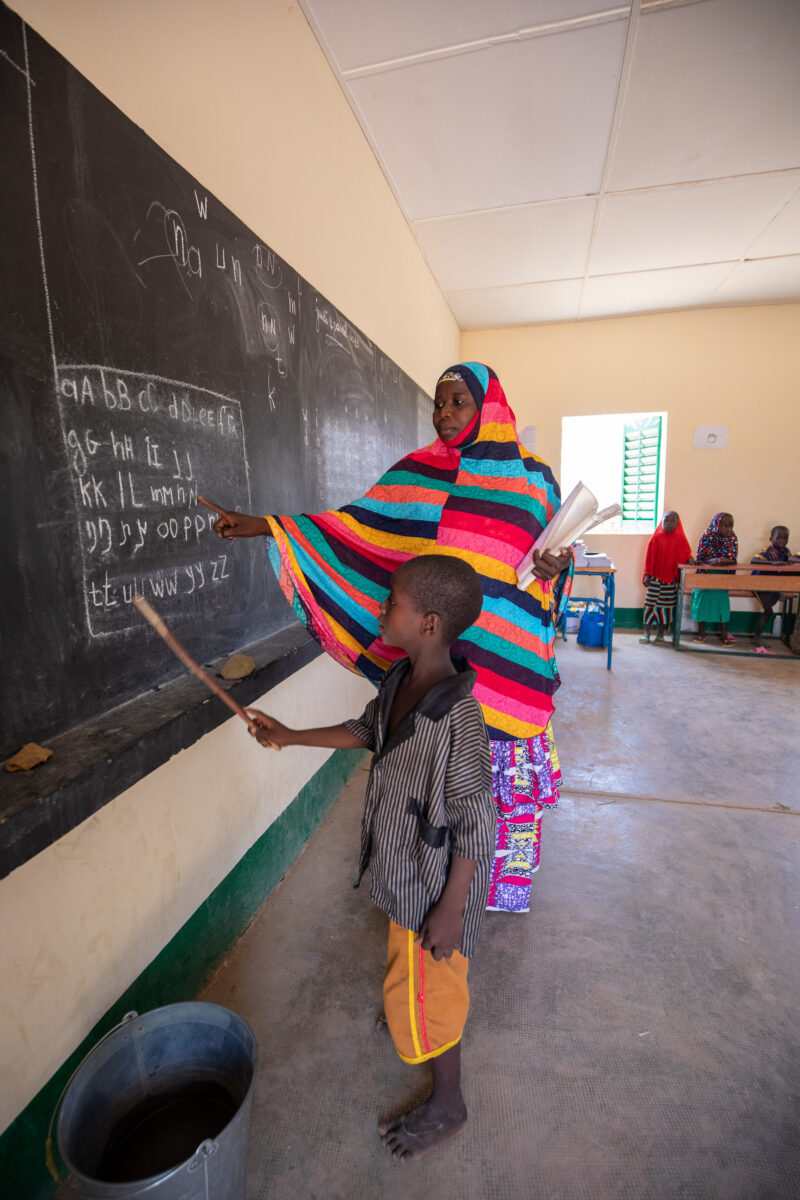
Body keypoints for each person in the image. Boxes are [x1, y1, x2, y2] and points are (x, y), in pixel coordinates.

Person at [205, 362, 573, 915]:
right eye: (438, 402)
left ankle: (477, 904)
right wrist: (267, 525)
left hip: (509, 659)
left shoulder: (535, 479)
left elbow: (555, 554)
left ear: (489, 409)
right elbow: (357, 530)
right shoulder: (417, 475)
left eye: (458, 403)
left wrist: (555, 565)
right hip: (446, 654)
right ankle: (433, 890)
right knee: (434, 776)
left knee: (490, 792)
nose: (444, 413)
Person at [247, 555, 495, 1160]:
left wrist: (451, 910)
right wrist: (290, 735)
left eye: (392, 604)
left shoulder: (457, 714)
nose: (381, 611)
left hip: (435, 891)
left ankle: (449, 1102)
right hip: (404, 873)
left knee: (435, 989)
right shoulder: (399, 679)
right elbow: (366, 731)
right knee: (413, 974)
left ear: (430, 623)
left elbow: (478, 821)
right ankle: (408, 1003)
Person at [639, 511, 693, 644]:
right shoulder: (656, 538)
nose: (668, 523)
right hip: (655, 578)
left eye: (672, 521)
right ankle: (646, 632)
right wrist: (647, 574)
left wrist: (691, 560)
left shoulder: (680, 539)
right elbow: (649, 558)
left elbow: (686, 554)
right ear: (661, 522)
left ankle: (660, 633)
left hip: (670, 580)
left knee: (666, 606)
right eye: (666, 520)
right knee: (650, 604)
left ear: (677, 523)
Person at [750, 526, 800, 654]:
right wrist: (772, 564)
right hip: (760, 583)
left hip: (773, 584)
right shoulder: (767, 550)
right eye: (779, 537)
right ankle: (757, 637)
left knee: (770, 610)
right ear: (771, 538)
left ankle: (779, 592)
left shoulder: (786, 552)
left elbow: (789, 564)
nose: (782, 540)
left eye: (785, 538)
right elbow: (753, 560)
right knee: (769, 612)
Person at [690, 512, 738, 645]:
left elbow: (733, 558)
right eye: (725, 526)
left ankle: (724, 635)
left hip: (723, 576)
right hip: (705, 574)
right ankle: (701, 633)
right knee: (702, 602)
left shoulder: (732, 538)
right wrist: (713, 560)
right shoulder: (706, 536)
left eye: (730, 526)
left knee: (722, 605)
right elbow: (700, 557)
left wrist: (724, 561)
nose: (728, 529)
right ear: (716, 525)